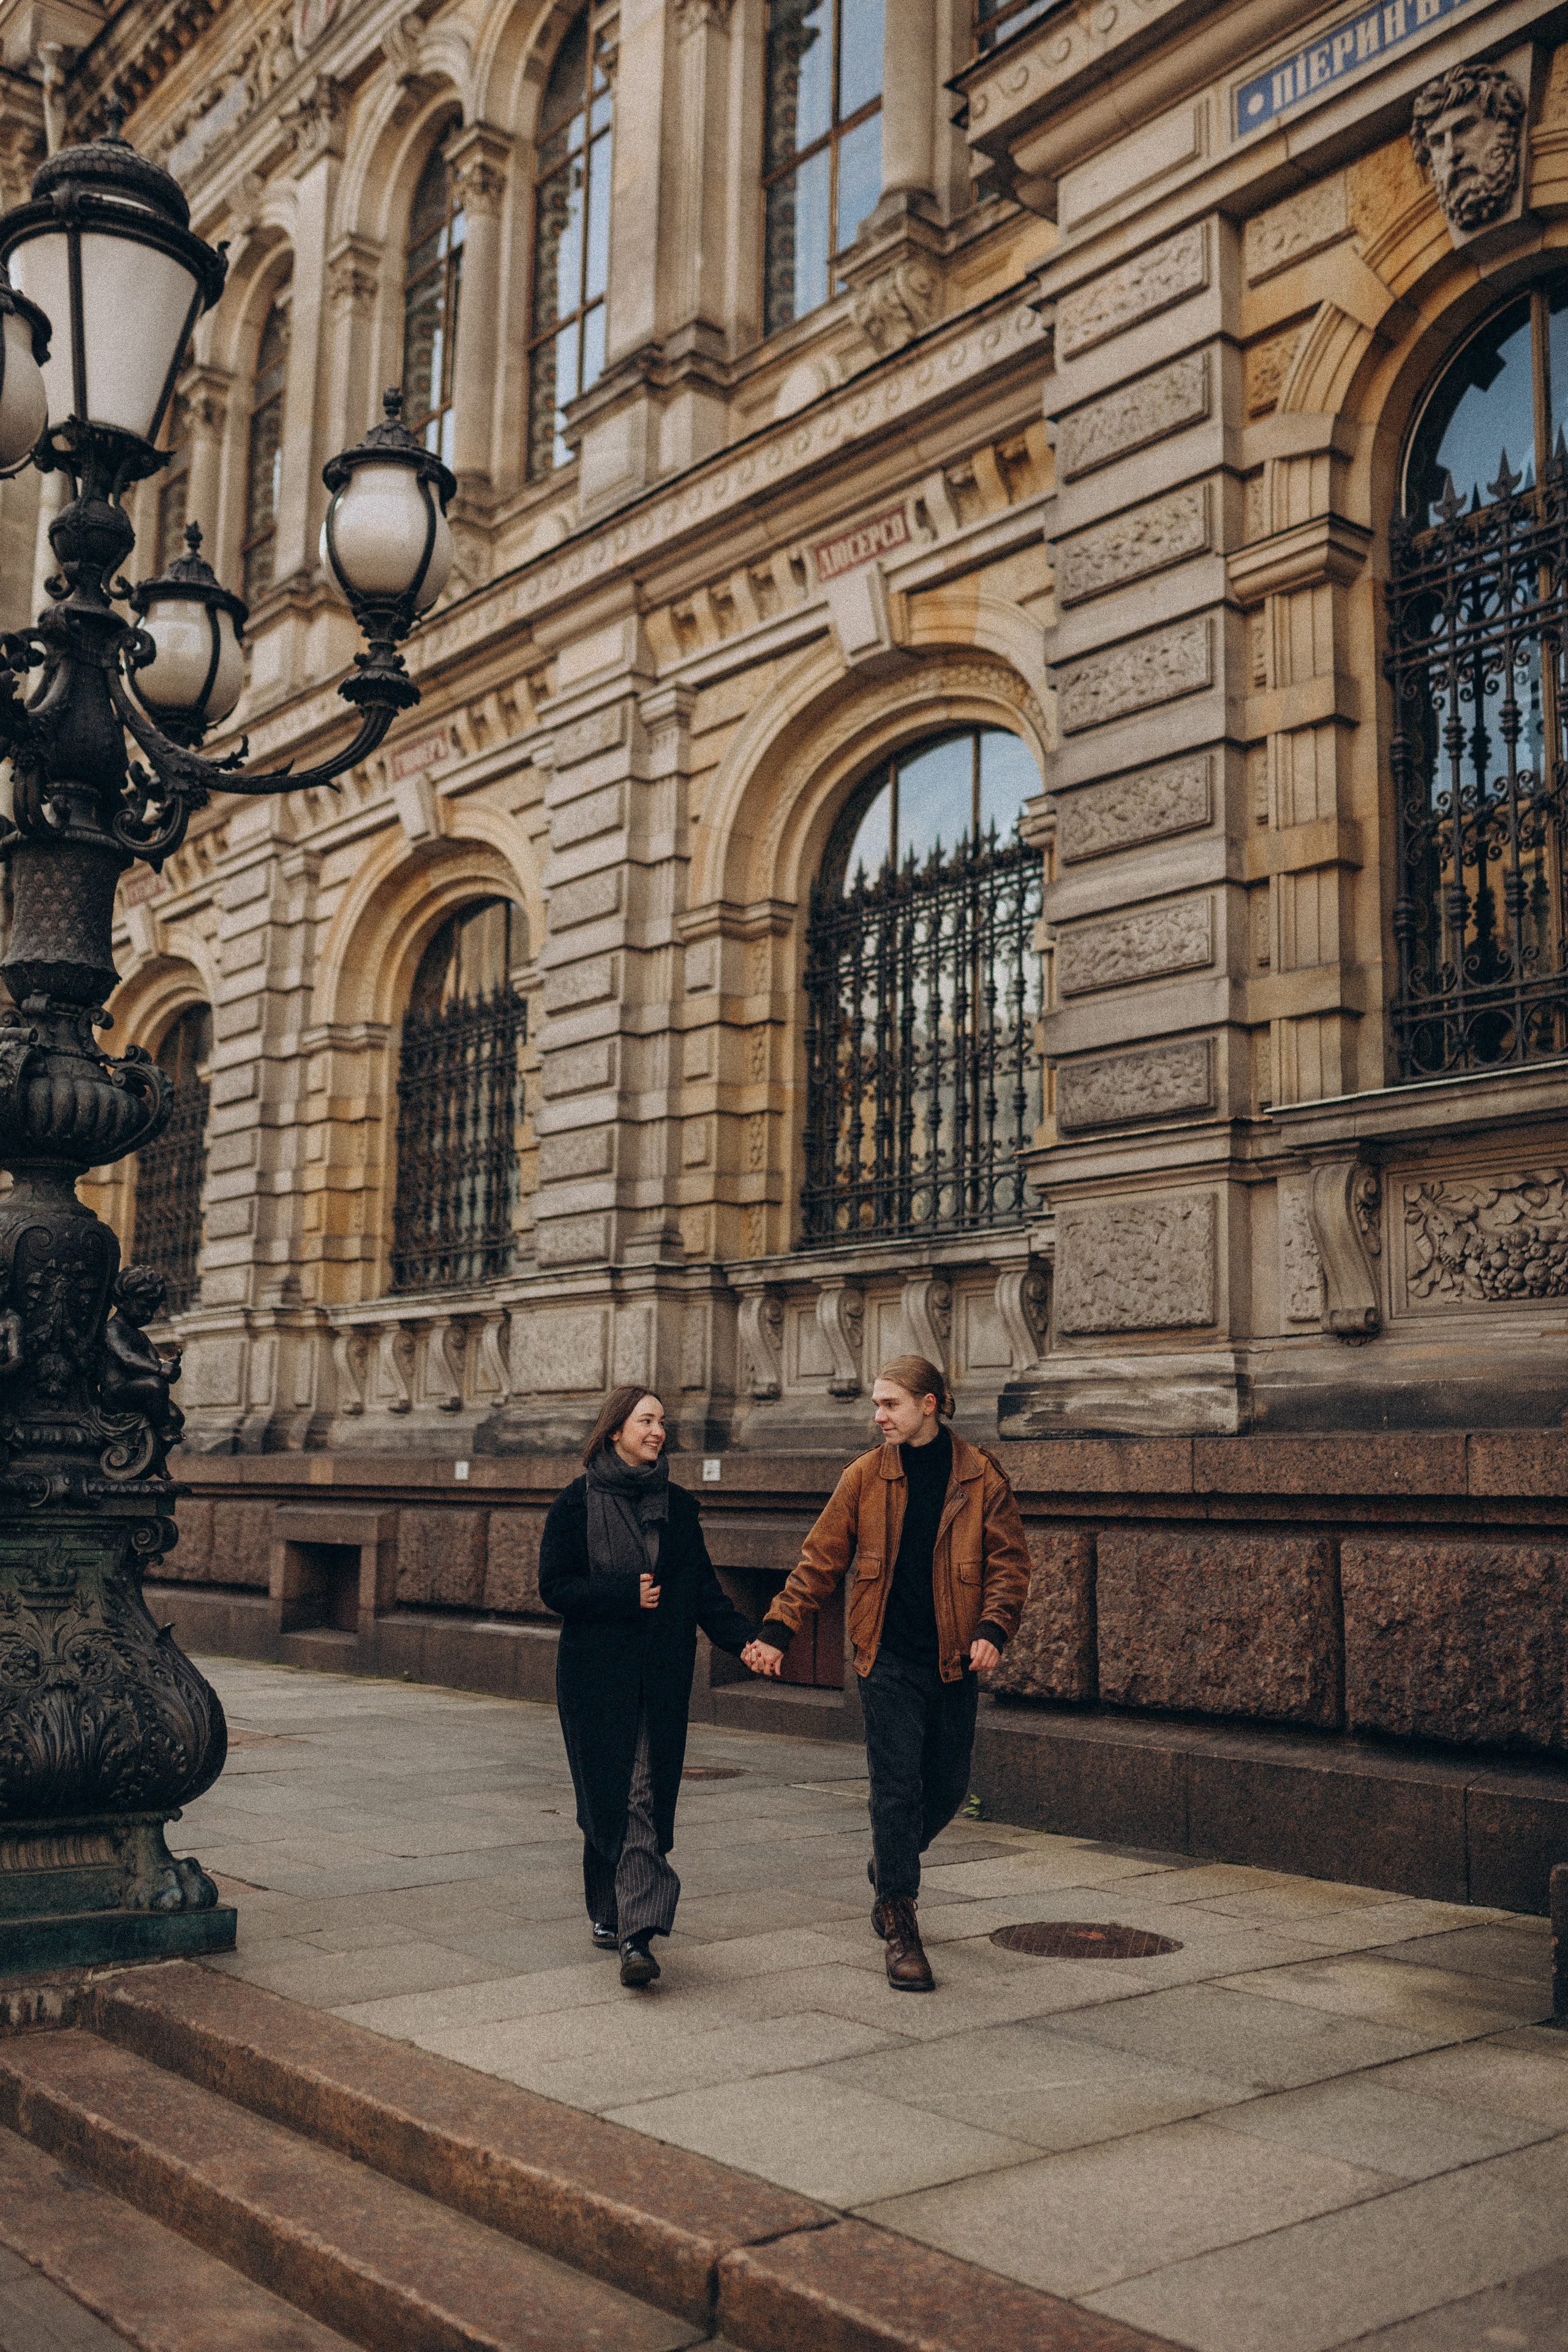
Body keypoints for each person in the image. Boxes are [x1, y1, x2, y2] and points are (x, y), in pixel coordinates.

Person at [742, 1355, 1030, 1992]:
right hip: (886, 1659)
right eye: (876, 1405)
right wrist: (776, 1629)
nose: (879, 1417)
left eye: (890, 1404)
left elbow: (1009, 1565)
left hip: (953, 1660)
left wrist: (992, 1629)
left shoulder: (980, 1477)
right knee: (895, 1787)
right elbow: (818, 1562)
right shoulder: (864, 1478)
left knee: (949, 1785)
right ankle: (900, 1921)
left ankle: (889, 1864)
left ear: (930, 1404)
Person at [538, 1384, 759, 1988]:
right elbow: (554, 1588)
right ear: (615, 1431)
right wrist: (623, 1595)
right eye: (645, 1420)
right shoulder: (576, 1504)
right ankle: (613, 1914)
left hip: (659, 1679)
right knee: (604, 1799)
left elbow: (706, 1595)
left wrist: (746, 1641)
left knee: (641, 1795)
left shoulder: (679, 1507)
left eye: (662, 1421)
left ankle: (637, 1934)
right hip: (593, 1678)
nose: (658, 1430)